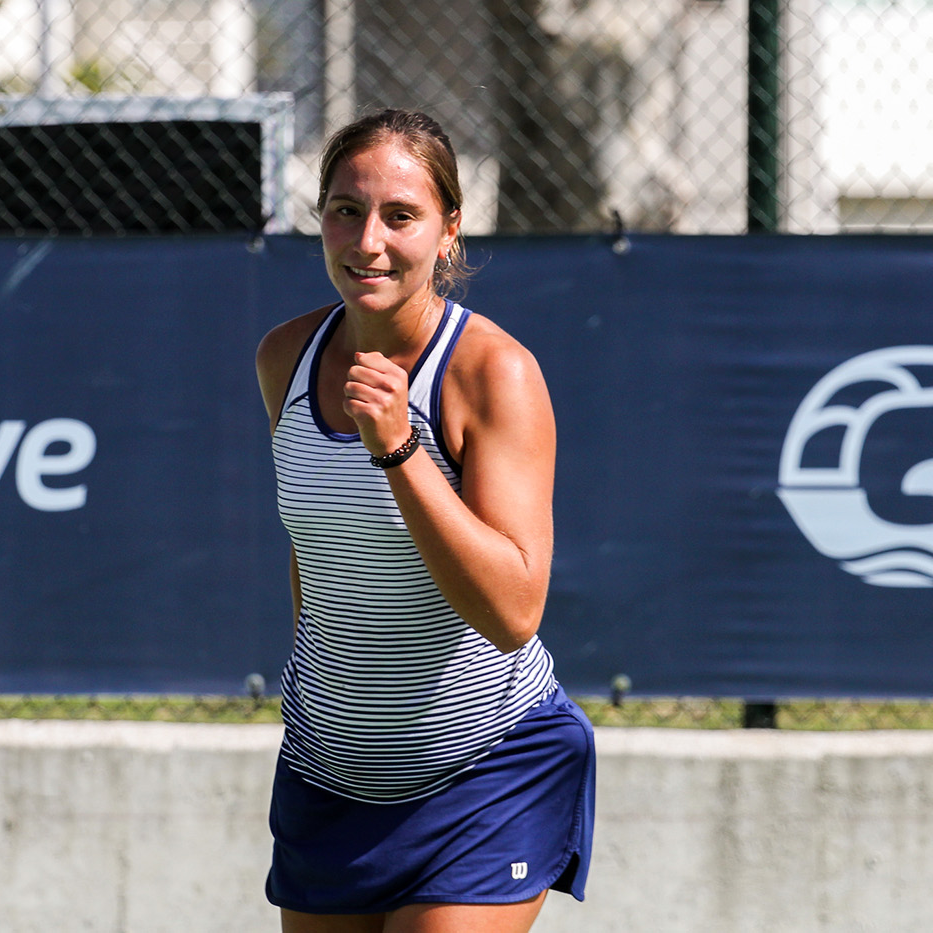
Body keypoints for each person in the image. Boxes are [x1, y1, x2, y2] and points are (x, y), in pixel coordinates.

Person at [255, 109, 595, 933]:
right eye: (345, 209)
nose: (367, 240)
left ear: (449, 230)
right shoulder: (284, 358)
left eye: (399, 216)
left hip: (488, 769)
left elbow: (514, 612)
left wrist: (402, 447)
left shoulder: (495, 373)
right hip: (328, 773)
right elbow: (315, 552)